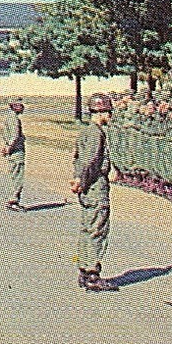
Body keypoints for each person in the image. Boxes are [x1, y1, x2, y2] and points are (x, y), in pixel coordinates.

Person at [72, 94, 117, 292]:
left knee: (87, 228)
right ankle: (92, 274)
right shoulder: (96, 134)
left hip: (88, 185)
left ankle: (84, 270)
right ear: (100, 112)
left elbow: (78, 160)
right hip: (95, 185)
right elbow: (90, 162)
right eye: (108, 111)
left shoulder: (86, 131)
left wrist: (78, 180)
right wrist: (82, 181)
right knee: (97, 229)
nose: (110, 115)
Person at [1, 98, 27, 211]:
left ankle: (13, 200)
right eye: (21, 105)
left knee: (14, 174)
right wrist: (9, 147)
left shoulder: (11, 117)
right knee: (17, 176)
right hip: (16, 151)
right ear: (15, 106)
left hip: (13, 150)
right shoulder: (13, 119)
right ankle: (13, 201)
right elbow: (15, 136)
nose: (23, 108)